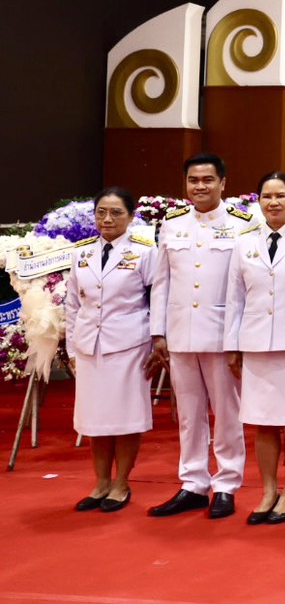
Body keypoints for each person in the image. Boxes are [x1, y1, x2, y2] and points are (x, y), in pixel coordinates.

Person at [148, 153, 249, 519]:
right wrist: (158, 331)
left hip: (222, 334)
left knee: (227, 412)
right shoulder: (172, 224)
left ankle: (226, 484)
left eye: (208, 179)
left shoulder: (242, 224)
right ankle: (193, 482)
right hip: (180, 332)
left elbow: (245, 286)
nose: (200, 186)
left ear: (223, 183)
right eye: (193, 180)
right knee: (189, 414)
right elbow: (161, 282)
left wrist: (239, 337)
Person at [222, 171, 285, 525]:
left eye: (281, 195)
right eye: (267, 196)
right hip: (254, 344)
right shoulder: (243, 243)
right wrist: (232, 345)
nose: (274, 202)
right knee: (262, 423)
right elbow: (234, 298)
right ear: (259, 202)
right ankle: (268, 491)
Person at [65, 187, 158, 513]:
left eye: (116, 212)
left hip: (130, 346)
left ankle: (121, 483)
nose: (107, 219)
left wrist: (156, 343)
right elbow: (73, 305)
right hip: (89, 346)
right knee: (95, 418)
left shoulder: (145, 253)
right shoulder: (81, 254)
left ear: (131, 217)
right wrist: (72, 348)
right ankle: (101, 482)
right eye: (101, 212)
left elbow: (156, 301)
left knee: (125, 417)